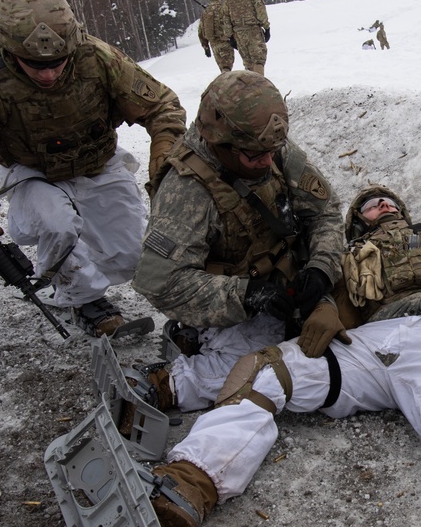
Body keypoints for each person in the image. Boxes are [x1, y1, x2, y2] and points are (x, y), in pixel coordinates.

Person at [134, 185, 421, 527]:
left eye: (387, 200)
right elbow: (327, 299)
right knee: (266, 370)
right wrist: (326, 305)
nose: (381, 204)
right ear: (355, 222)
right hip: (367, 344)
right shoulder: (346, 258)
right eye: (368, 204)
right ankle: (192, 481)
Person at [0, 0, 185, 336]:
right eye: (36, 65)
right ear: (7, 49)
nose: (49, 74)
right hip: (30, 170)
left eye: (57, 62)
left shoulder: (98, 59)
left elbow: (163, 105)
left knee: (133, 255)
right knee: (59, 225)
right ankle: (83, 300)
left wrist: (163, 157)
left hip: (96, 162)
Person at [130, 70, 346, 425]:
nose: (266, 162)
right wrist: (248, 295)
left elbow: (325, 213)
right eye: (254, 156)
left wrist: (322, 269)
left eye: (271, 152)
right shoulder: (186, 189)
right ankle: (169, 380)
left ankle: (203, 341)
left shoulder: (265, 146)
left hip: (288, 278)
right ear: (219, 142)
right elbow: (162, 283)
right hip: (235, 298)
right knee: (270, 358)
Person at [224, 0, 270, 75]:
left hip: (238, 34)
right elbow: (261, 11)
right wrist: (266, 28)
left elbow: (226, 18)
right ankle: (259, 87)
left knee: (248, 62)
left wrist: (230, 37)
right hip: (253, 31)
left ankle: (250, 88)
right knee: (258, 59)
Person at [198, 0, 234, 73]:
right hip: (226, 42)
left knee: (223, 69)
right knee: (227, 69)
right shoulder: (224, 8)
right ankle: (227, 86)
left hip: (213, 45)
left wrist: (206, 47)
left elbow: (201, 32)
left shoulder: (205, 12)